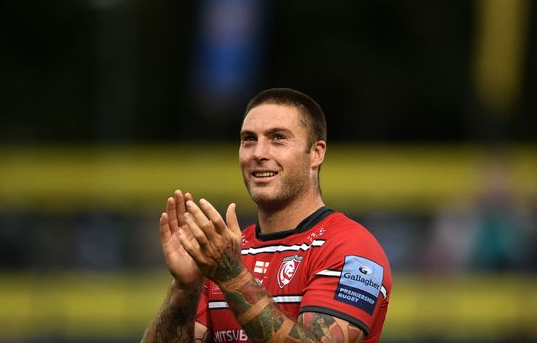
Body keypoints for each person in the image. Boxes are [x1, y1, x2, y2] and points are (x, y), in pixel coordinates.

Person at [142, 88, 392, 343]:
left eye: (278, 138)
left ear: (316, 153)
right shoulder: (222, 254)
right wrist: (186, 288)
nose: (258, 153)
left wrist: (231, 277)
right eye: (249, 139)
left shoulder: (351, 248)